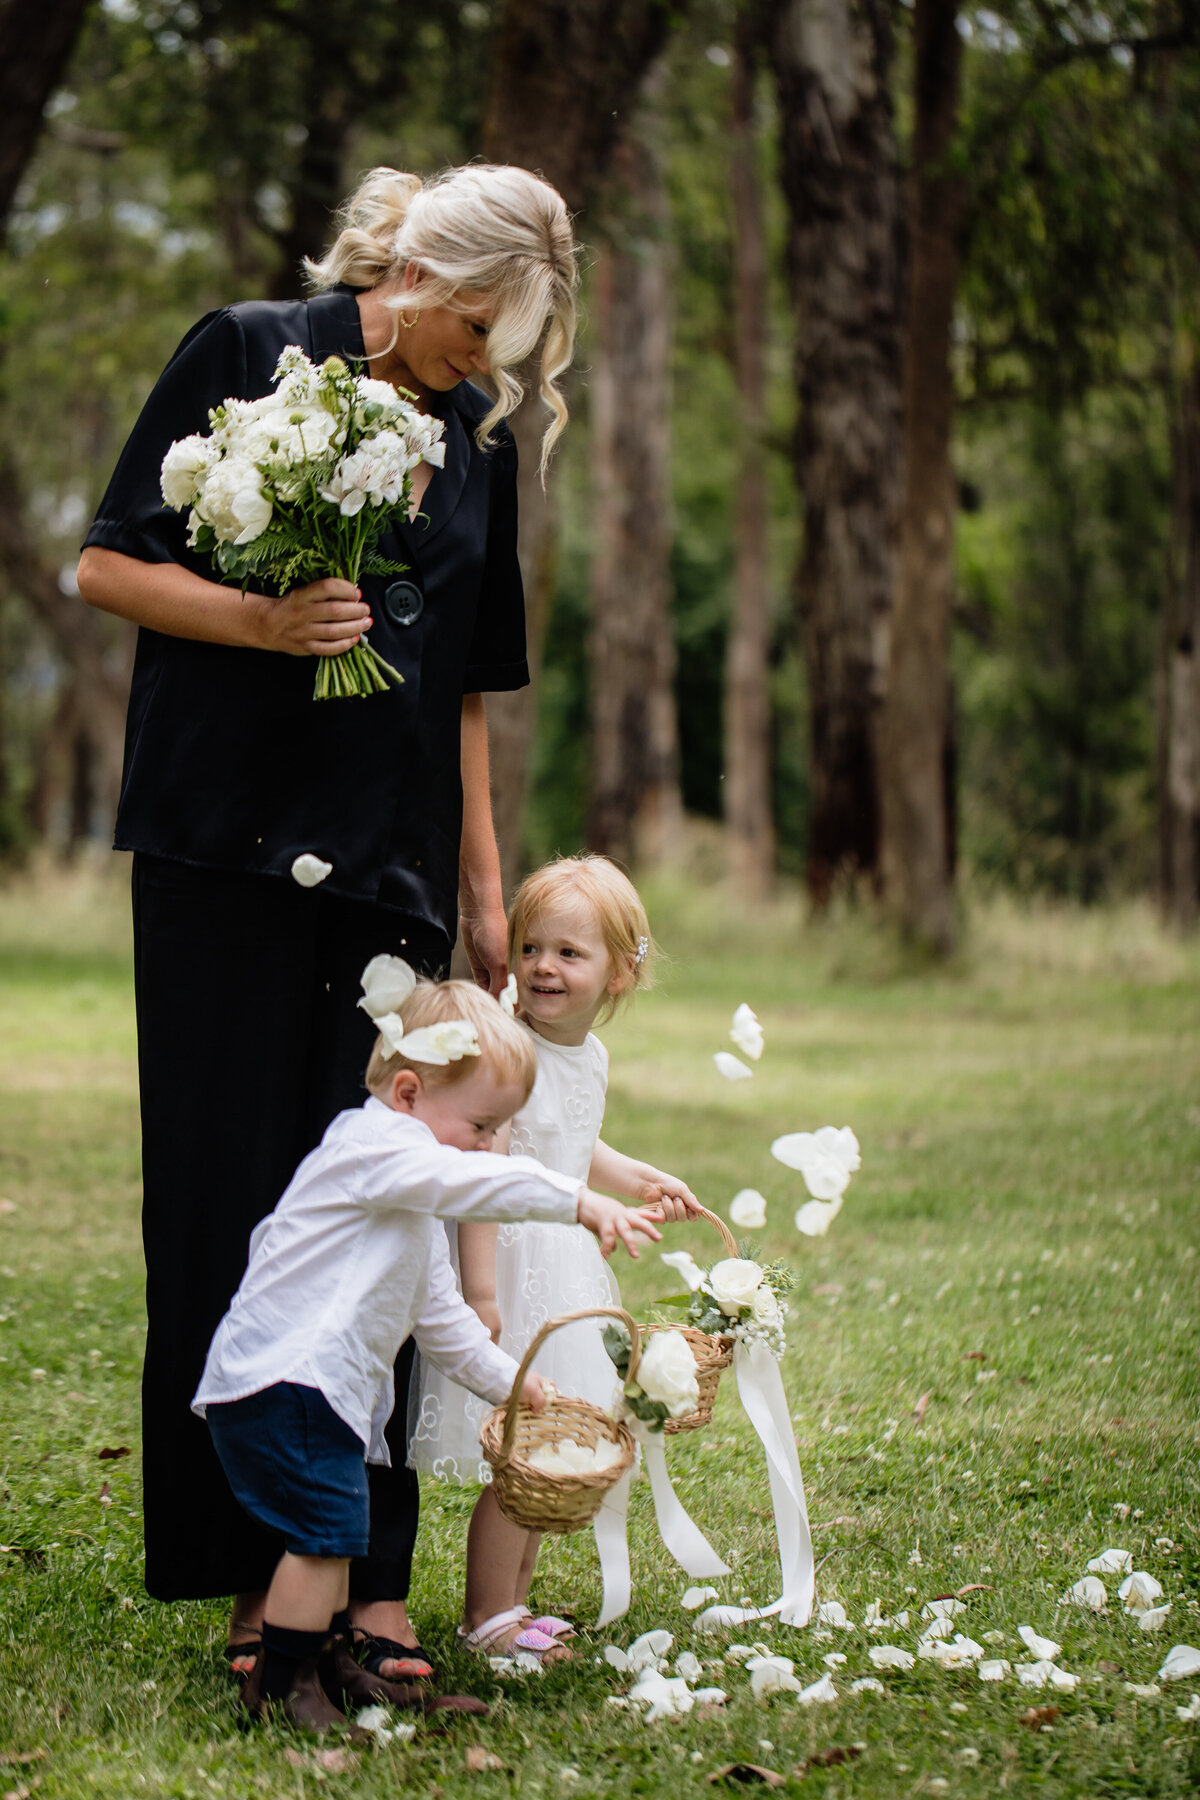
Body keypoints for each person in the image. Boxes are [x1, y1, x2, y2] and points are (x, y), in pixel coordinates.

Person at [74, 163, 579, 1689]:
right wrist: (264, 621)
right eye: (482, 323)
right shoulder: (245, 350)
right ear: (427, 273)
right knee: (239, 1209)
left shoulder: (478, 441)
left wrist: (481, 883)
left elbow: (471, 691)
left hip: (393, 866)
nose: (489, 361)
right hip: (221, 852)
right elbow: (103, 563)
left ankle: (374, 1578)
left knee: (405, 1207)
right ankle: (260, 1571)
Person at [194, 977, 665, 1731]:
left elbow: (442, 1316)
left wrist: (510, 1383)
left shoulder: (411, 1200)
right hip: (285, 1383)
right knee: (326, 1537)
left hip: (315, 1391)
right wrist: (576, 1199)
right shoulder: (374, 1148)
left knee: (337, 1535)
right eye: (482, 1126)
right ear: (409, 1092)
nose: (487, 1145)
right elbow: (467, 1178)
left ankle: (317, 1659)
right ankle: (283, 1688)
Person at [410, 855, 698, 1660]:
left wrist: (641, 1177)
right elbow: (486, 1177)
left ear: (620, 974)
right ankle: (485, 1617)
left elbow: (575, 1145)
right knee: (521, 1454)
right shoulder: (509, 1057)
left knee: (547, 1457)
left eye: (570, 954)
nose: (543, 967)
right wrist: (480, 1290)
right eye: (533, 947)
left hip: (567, 1265)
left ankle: (514, 1604)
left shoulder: (590, 1060)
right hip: (512, 1265)